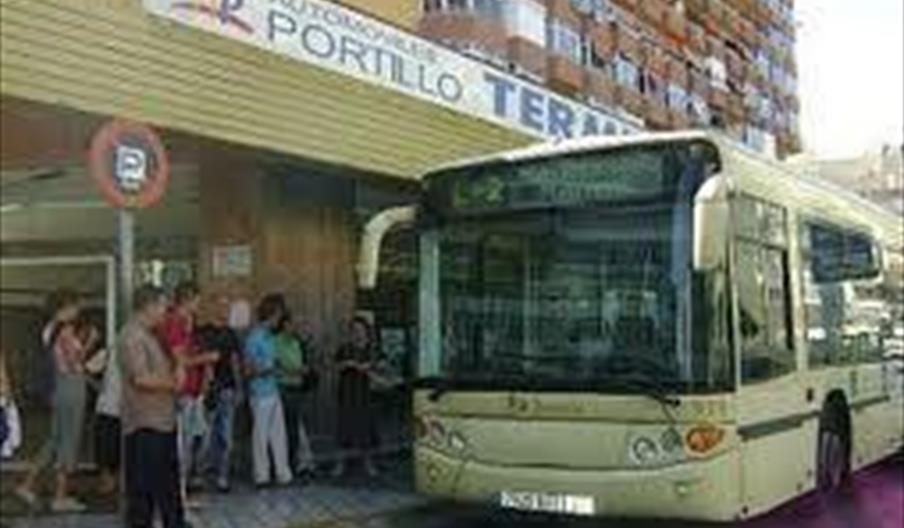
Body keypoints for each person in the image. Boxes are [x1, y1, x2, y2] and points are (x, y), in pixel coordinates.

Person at [16, 289, 99, 512]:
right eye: (76, 305)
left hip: (59, 387)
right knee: (68, 439)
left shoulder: (50, 329)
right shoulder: (66, 329)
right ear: (65, 307)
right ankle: (60, 496)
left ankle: (27, 484)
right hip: (71, 387)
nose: (78, 310)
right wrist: (90, 342)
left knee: (54, 439)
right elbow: (74, 362)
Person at [120, 285, 188, 528]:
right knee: (143, 491)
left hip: (162, 421)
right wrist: (173, 384)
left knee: (168, 485)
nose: (165, 312)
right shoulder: (132, 336)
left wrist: (178, 365)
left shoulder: (151, 335)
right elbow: (140, 379)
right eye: (162, 306)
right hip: (145, 425)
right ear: (148, 306)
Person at [160, 282, 219, 503]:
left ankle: (182, 491)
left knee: (193, 441)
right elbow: (180, 360)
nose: (199, 304)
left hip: (192, 392)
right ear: (189, 299)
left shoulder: (186, 324)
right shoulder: (175, 323)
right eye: (198, 300)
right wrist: (207, 358)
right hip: (181, 392)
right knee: (180, 446)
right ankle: (177, 496)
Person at [196, 294, 243, 492]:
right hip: (208, 390)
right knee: (204, 436)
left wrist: (240, 388)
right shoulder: (204, 332)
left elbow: (235, 362)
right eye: (222, 307)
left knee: (226, 436)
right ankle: (199, 475)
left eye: (228, 308)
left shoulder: (231, 334)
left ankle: (223, 477)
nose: (225, 311)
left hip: (227, 390)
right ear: (213, 308)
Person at [244, 294, 292, 487]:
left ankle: (283, 473)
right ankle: (261, 475)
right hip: (260, 392)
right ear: (272, 314)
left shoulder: (270, 338)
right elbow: (248, 369)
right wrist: (267, 369)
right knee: (261, 435)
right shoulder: (254, 338)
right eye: (278, 315)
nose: (279, 319)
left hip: (273, 390)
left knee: (279, 433)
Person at [332, 316, 380, 478]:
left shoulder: (372, 349)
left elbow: (380, 366)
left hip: (366, 393)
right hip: (347, 393)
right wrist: (346, 364)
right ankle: (340, 464)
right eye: (354, 330)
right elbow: (335, 365)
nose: (357, 333)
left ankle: (368, 463)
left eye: (360, 329)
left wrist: (367, 367)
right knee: (344, 427)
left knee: (365, 428)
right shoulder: (345, 349)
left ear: (366, 331)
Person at [274, 314, 315, 479]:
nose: (295, 328)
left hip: (296, 388)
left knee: (295, 429)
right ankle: (284, 465)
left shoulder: (297, 343)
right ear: (284, 325)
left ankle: (296, 463)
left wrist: (304, 370)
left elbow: (302, 364)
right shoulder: (276, 342)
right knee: (283, 429)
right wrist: (295, 370)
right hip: (282, 387)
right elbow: (277, 365)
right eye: (292, 325)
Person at [93, 325, 122, 496]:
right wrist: (100, 388)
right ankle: (109, 482)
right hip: (111, 407)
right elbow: (88, 369)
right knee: (109, 449)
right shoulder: (110, 351)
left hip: (116, 408)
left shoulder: (112, 350)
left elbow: (88, 369)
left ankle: (112, 483)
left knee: (112, 449)